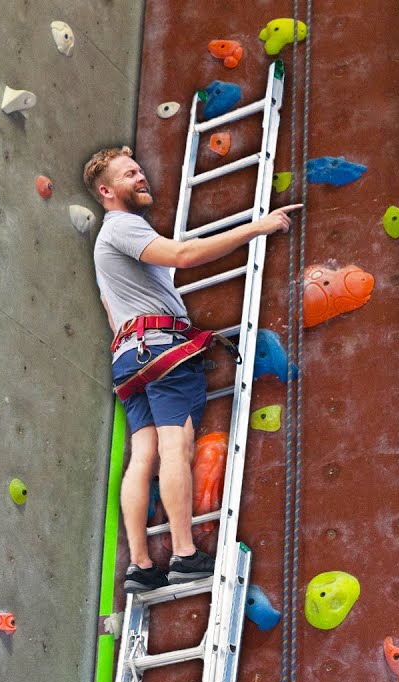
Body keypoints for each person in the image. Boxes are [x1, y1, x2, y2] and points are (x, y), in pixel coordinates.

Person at [82, 146, 302, 592]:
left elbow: (111, 313)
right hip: (159, 349)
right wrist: (258, 227)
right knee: (176, 447)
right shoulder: (122, 226)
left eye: (140, 169)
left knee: (143, 457)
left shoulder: (103, 251)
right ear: (106, 191)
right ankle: (183, 553)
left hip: (129, 356)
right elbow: (182, 256)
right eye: (130, 174)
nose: (141, 177)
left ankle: (141, 565)